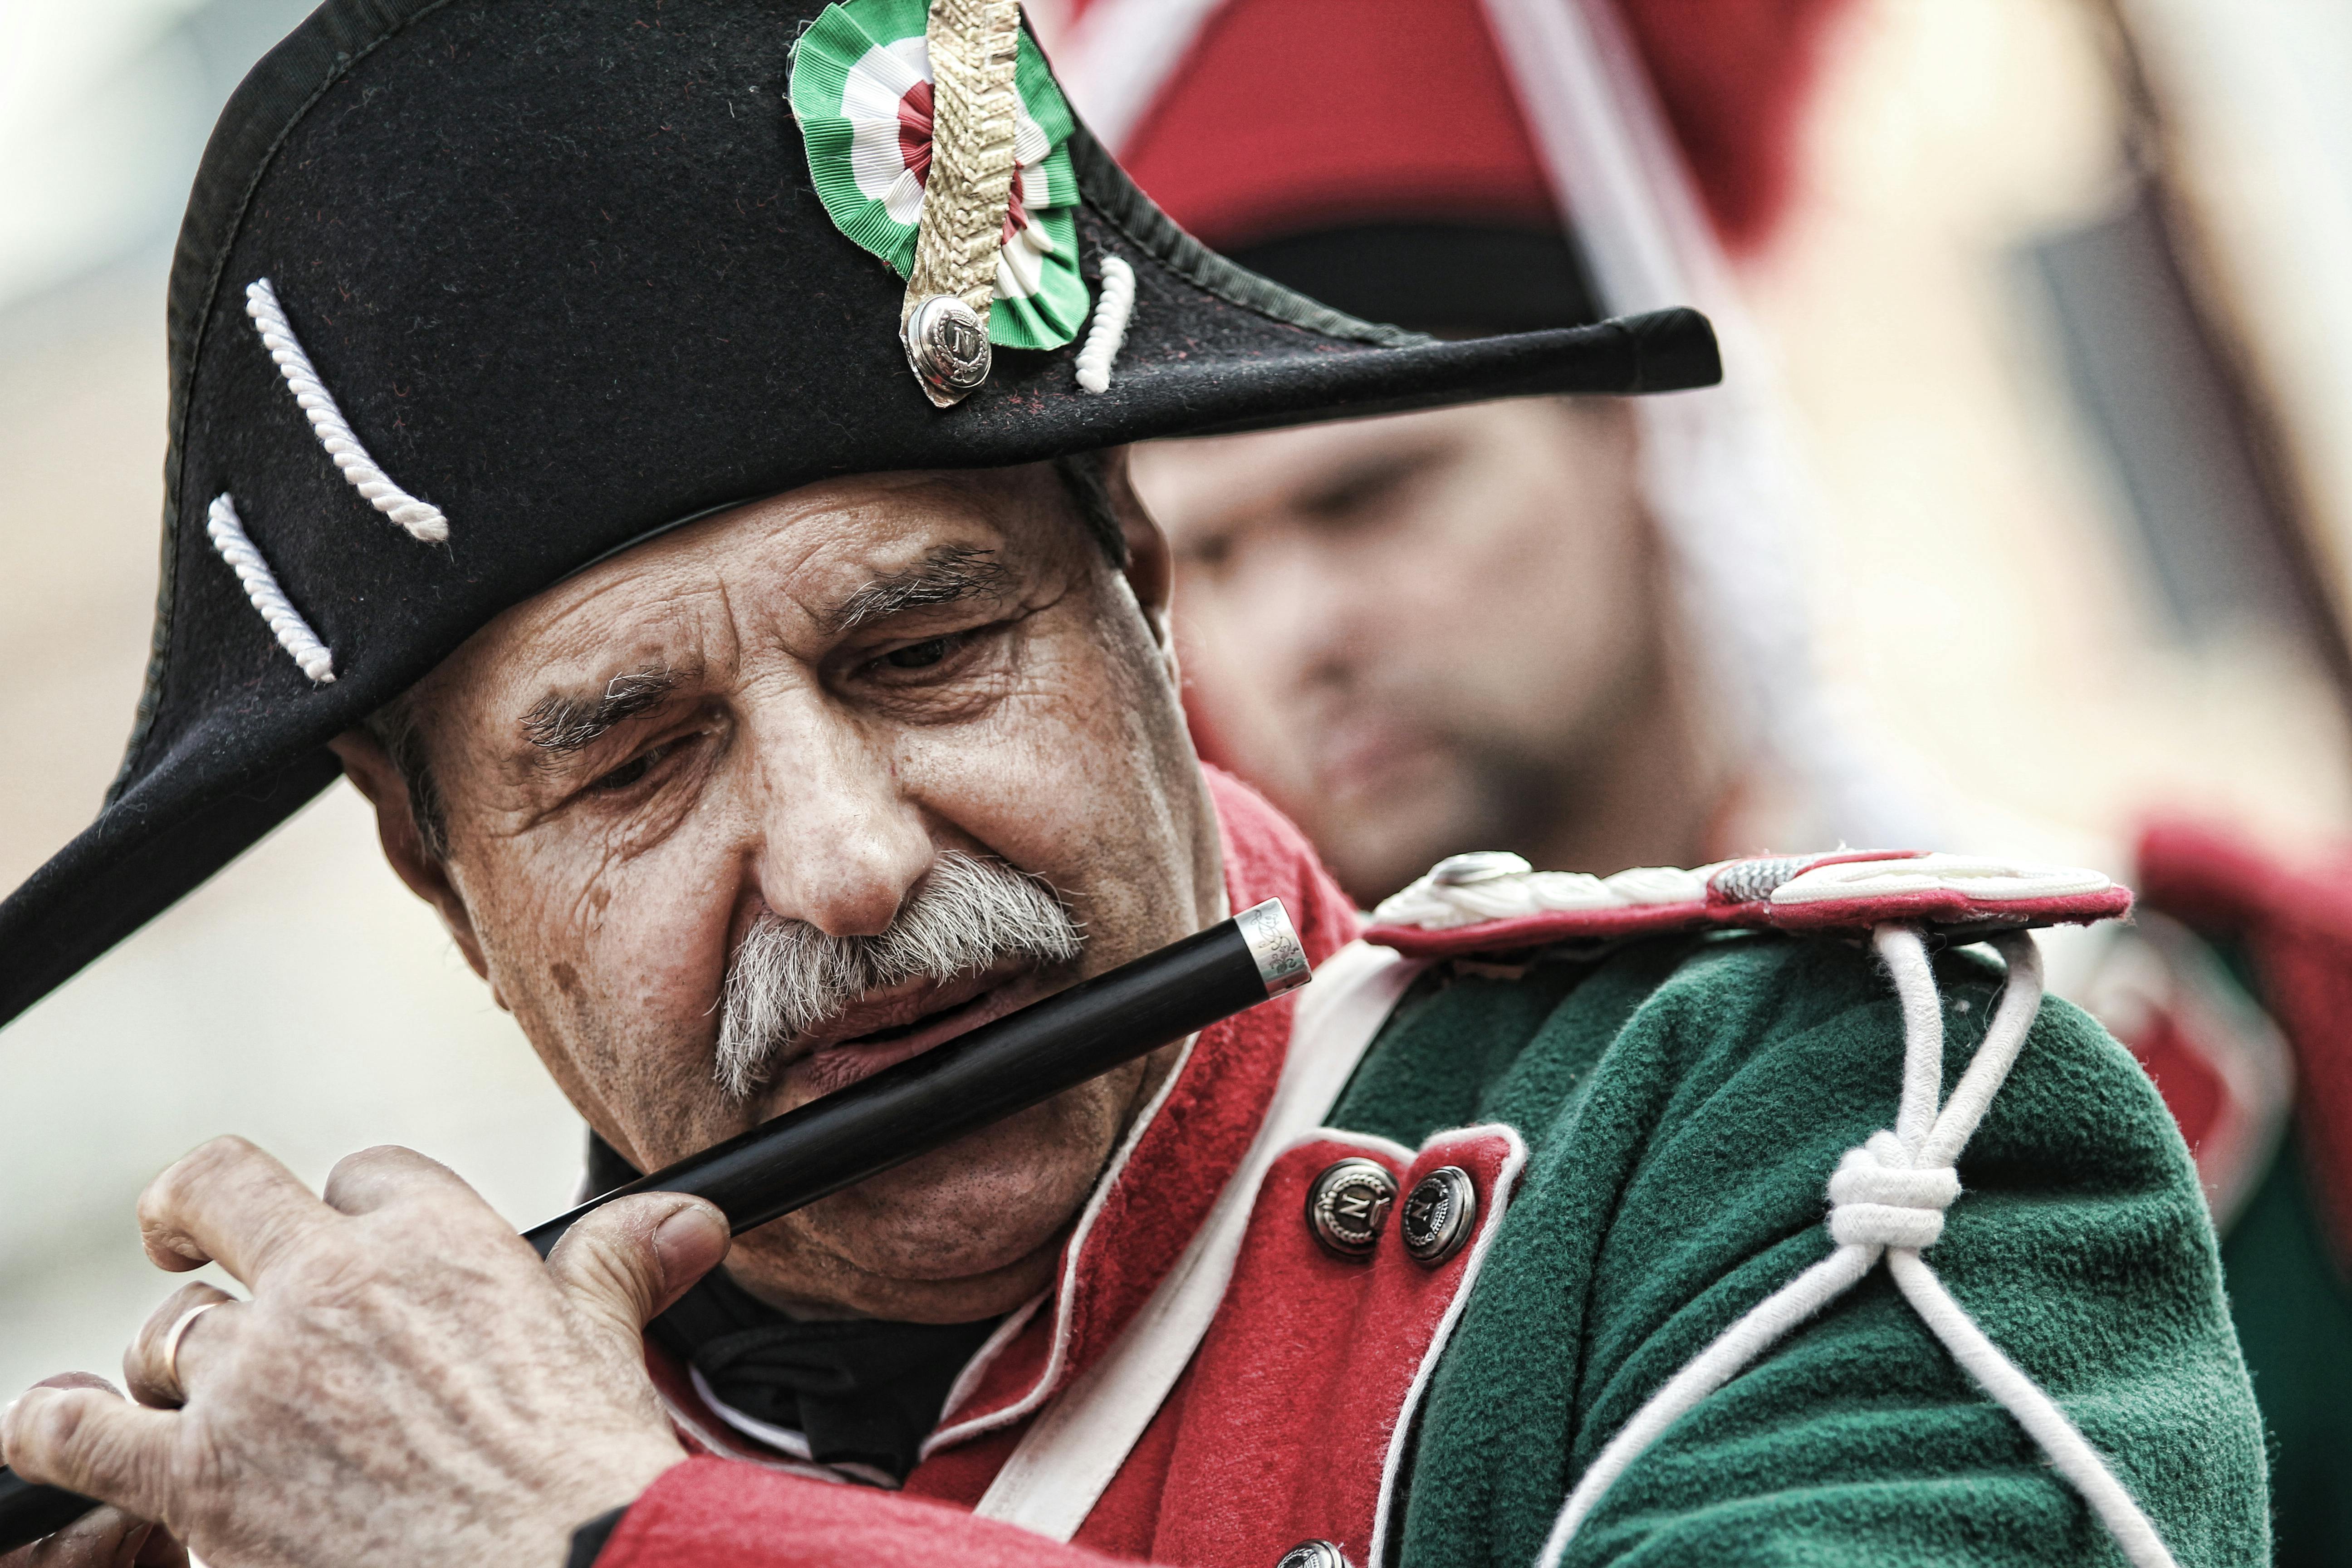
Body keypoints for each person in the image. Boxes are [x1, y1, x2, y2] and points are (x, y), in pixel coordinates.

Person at [0, 2, 2263, 1566]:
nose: (853, 859)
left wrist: (604, 1535)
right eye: (636, 762)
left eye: (924, 650)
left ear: (1135, 588)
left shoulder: (1824, 1125)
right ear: (441, 874)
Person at [1052, 3, 2352, 1558]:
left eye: (1371, 498)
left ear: (1650, 440)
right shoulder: (1159, 1265)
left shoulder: (2274, 1027)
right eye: (1210, 561)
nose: (1293, 637)